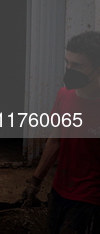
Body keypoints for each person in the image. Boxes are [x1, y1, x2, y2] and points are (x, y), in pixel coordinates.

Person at [22, 31, 100, 233]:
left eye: (77, 65)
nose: (69, 70)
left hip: (90, 199)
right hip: (59, 191)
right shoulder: (64, 95)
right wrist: (36, 181)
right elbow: (56, 140)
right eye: (68, 63)